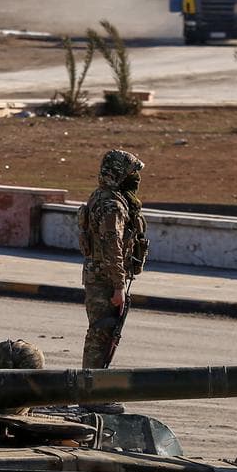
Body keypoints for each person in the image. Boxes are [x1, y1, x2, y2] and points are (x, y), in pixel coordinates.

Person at [78, 150, 148, 380]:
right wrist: (118, 286)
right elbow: (112, 246)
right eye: (132, 173)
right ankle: (90, 393)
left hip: (100, 275)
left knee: (105, 334)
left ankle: (95, 389)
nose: (135, 178)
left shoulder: (102, 196)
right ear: (119, 174)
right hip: (105, 279)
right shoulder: (112, 205)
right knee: (101, 335)